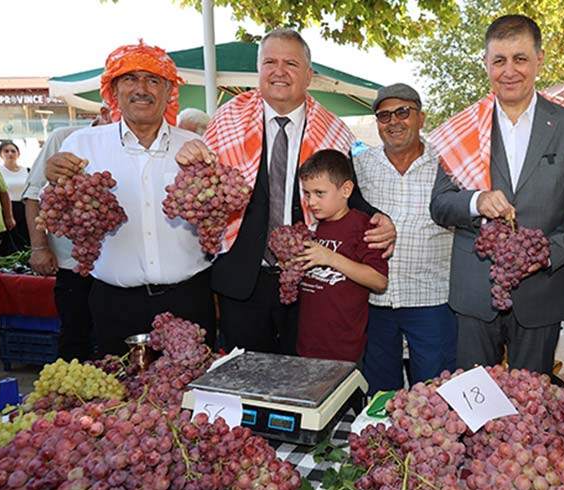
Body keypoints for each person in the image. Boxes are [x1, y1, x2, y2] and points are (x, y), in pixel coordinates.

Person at [175, 28, 396, 355]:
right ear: (259, 71)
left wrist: (382, 219)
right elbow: (206, 190)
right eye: (270, 62)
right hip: (241, 282)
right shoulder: (227, 119)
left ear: (308, 75)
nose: (279, 71)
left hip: (307, 280)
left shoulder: (333, 128)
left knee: (303, 380)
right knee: (244, 382)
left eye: (290, 63)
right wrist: (189, 164)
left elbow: (350, 195)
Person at [429, 14, 564, 375]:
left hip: (543, 290)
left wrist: (547, 254)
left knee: (532, 407)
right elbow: (440, 205)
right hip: (475, 293)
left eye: (520, 59)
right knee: (474, 406)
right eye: (499, 60)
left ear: (539, 60)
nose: (509, 71)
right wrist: (476, 201)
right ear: (486, 63)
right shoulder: (463, 128)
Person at [44, 41, 216, 356]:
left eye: (153, 80)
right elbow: (56, 214)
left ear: (168, 91)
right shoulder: (82, 144)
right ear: (114, 90)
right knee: (122, 398)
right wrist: (53, 176)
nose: (142, 89)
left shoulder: (195, 146)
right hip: (115, 304)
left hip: (189, 300)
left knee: (191, 395)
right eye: (130, 79)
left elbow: (220, 209)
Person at [354, 83, 456, 393]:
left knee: (434, 396)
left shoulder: (449, 165)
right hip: (375, 302)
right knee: (379, 396)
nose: (393, 121)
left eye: (403, 112)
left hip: (432, 301)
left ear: (421, 118)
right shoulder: (360, 165)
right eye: (384, 116)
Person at [23, 107, 111, 361]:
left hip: (116, 268)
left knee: (110, 341)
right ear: (103, 113)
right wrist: (39, 248)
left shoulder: (132, 145)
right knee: (75, 333)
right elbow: (32, 196)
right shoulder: (64, 139)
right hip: (73, 265)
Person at [292, 150, 388, 362]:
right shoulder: (313, 227)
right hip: (307, 344)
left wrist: (331, 258)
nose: (311, 202)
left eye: (319, 193)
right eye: (307, 194)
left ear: (346, 190)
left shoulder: (362, 226)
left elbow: (379, 281)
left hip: (344, 349)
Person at [0, 141, 30, 250]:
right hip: (7, 209)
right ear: (1, 154)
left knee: (26, 239)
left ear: (18, 154)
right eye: (6, 151)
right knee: (10, 242)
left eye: (13, 151)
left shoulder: (27, 171)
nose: (10, 154)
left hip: (25, 207)